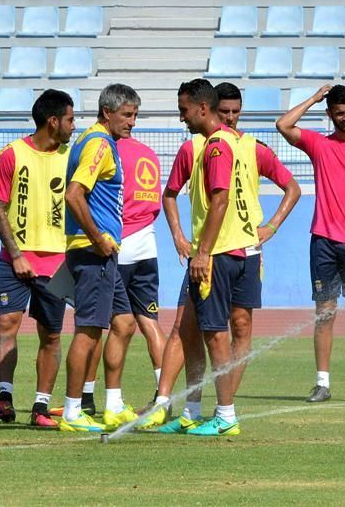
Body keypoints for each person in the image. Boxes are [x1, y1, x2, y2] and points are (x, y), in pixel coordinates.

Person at [140, 81, 300, 434]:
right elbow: (172, 195)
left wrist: (205, 250)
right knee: (191, 328)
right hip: (227, 250)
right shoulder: (206, 145)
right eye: (225, 110)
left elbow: (222, 200)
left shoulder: (222, 146)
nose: (181, 118)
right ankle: (188, 410)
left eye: (183, 111)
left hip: (227, 253)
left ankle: (224, 414)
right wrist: (182, 237)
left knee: (218, 334)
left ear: (201, 108)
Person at [276, 84, 345, 403]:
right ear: (329, 115)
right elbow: (283, 125)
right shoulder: (319, 146)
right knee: (324, 311)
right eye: (339, 113)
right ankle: (322, 383)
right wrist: (312, 98)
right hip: (323, 241)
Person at [0, 89, 75, 428]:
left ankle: (40, 407)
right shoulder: (11, 154)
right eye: (69, 119)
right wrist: (18, 254)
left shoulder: (72, 157)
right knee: (7, 325)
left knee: (51, 335)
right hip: (14, 260)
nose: (73, 126)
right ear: (53, 121)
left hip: (57, 263)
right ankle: (5, 397)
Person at [61, 136, 167, 417]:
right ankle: (162, 398)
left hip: (116, 242)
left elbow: (107, 201)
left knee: (95, 326)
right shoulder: (149, 153)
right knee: (146, 323)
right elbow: (154, 201)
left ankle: (85, 398)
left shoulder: (108, 149)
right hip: (148, 245)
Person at [59, 84, 141, 432]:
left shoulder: (96, 141)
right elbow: (74, 194)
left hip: (103, 253)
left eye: (135, 115)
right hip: (94, 252)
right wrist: (97, 239)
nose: (132, 123)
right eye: (127, 115)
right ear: (107, 112)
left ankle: (113, 405)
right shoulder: (98, 145)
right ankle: (72, 412)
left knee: (124, 323)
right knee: (89, 330)